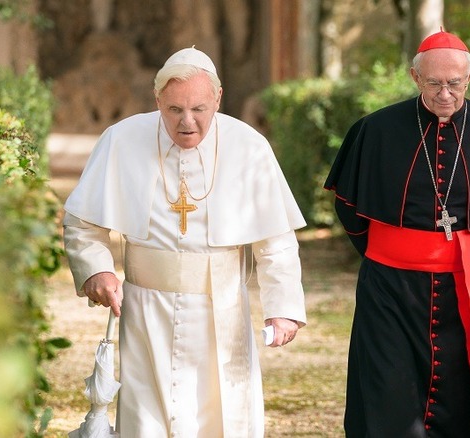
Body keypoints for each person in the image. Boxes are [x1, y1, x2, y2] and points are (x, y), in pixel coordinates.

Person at [63, 47, 307, 437]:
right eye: (174, 109)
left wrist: (283, 308)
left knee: (221, 417)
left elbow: (275, 239)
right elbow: (81, 223)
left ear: (218, 99)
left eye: (199, 108)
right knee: (147, 419)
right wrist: (97, 269)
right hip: (144, 311)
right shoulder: (122, 139)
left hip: (223, 308)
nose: (187, 122)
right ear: (157, 99)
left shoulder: (249, 147)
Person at [324, 30, 470, 437]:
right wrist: (398, 253)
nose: (445, 94)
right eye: (433, 83)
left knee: (458, 392)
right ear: (415, 77)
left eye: (455, 83)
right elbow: (350, 210)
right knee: (386, 390)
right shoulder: (375, 130)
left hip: (461, 285)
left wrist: (458, 254)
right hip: (389, 287)